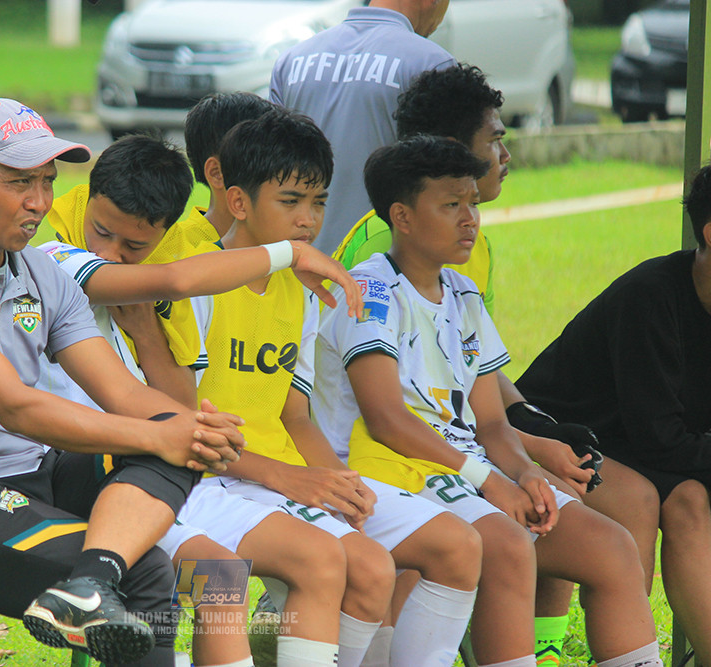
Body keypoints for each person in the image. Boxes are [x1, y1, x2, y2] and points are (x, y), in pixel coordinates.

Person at [0, 98, 246, 666]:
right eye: (20, 182)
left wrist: (190, 430)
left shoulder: (41, 272)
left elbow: (123, 394)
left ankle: (86, 587)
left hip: (33, 475)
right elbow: (16, 406)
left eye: (47, 181)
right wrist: (155, 436)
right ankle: (92, 584)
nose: (39, 203)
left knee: (175, 439)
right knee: (145, 572)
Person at [313, 135, 663, 667]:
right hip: (391, 470)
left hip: (465, 471)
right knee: (507, 544)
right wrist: (493, 483)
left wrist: (525, 475)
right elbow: (386, 421)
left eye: (473, 203)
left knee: (611, 548)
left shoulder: (463, 293)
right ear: (402, 217)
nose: (470, 219)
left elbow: (492, 423)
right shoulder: (369, 292)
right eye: (451, 205)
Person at [34, 132, 370, 667]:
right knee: (222, 578)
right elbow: (176, 279)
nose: (109, 254)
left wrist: (146, 332)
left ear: (163, 235)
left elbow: (175, 401)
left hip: (144, 474)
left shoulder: (146, 291)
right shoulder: (55, 258)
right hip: (75, 479)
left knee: (280, 567)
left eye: (133, 247)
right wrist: (290, 253)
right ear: (87, 200)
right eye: (100, 231)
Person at [179, 109, 483, 667]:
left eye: (317, 202)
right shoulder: (198, 281)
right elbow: (186, 431)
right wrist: (295, 479)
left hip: (276, 473)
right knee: (337, 563)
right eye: (290, 201)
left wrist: (339, 484)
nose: (308, 220)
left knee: (431, 550)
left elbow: (295, 417)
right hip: (208, 479)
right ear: (240, 203)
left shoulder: (303, 290)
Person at [514, 163, 711, 663]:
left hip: (638, 442)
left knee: (688, 500)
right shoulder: (653, 296)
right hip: (551, 432)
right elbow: (660, 439)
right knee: (640, 502)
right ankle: (603, 651)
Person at [269, 0, 455, 254]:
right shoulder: (432, 63)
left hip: (298, 264)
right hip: (386, 272)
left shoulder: (291, 61)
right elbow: (450, 181)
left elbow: (267, 171)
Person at [181, 91, 279, 243]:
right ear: (217, 173)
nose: (280, 174)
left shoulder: (286, 252)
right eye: (263, 161)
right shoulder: (173, 253)